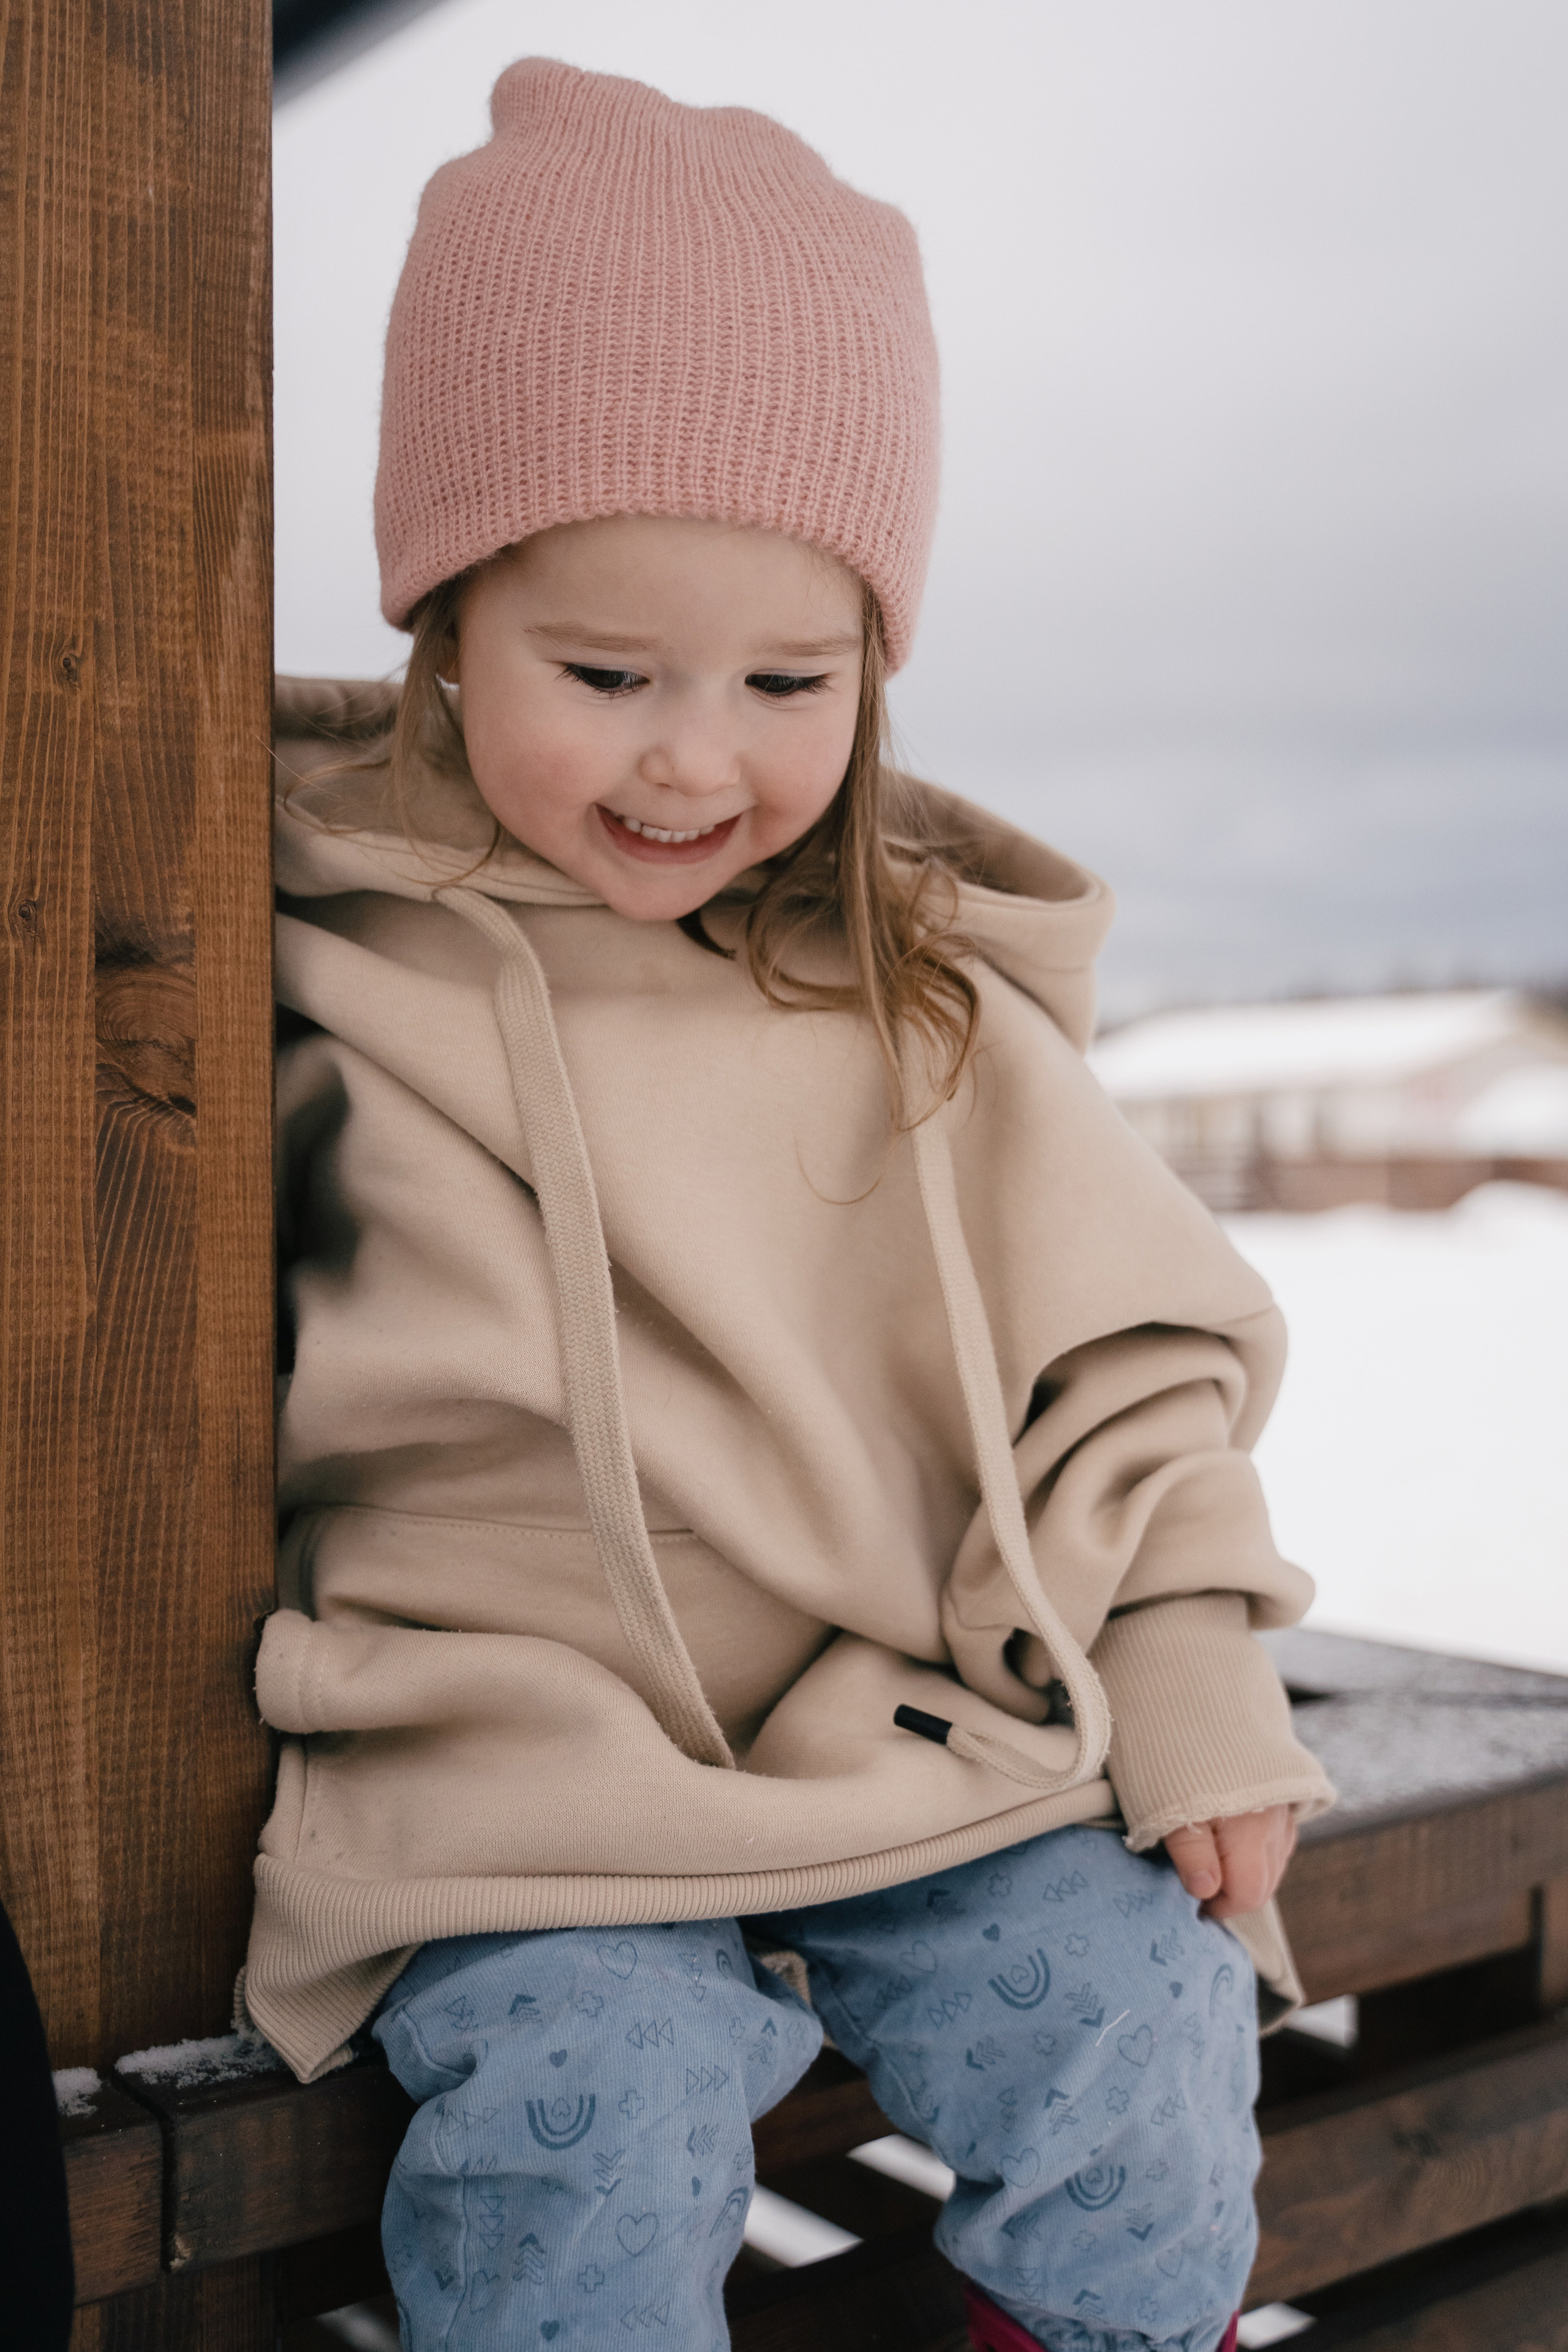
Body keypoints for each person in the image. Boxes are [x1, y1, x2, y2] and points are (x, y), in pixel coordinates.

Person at [246, 58, 1335, 2352]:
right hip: (509, 1762)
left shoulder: (917, 995)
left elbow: (1126, 1364)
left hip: (901, 1731)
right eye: (606, 671)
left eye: (786, 679)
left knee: (1146, 2016)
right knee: (596, 2111)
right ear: (446, 618)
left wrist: (1192, 1658)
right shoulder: (302, 941)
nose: (693, 756)